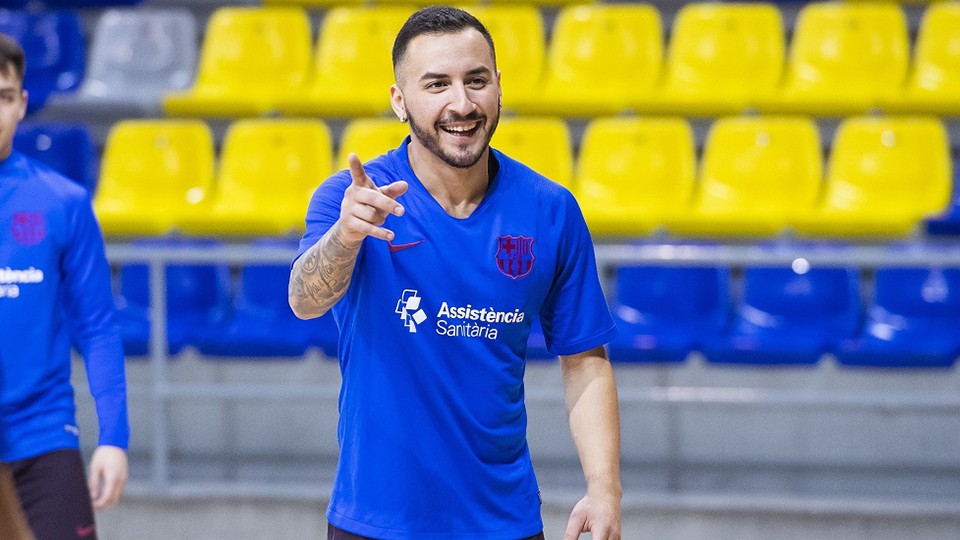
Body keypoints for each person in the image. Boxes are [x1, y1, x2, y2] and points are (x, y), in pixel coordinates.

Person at [289, 6, 622, 539]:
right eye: (436, 84)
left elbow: (585, 360)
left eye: (476, 80)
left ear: (498, 88)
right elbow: (305, 300)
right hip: (374, 522)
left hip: (502, 523)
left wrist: (604, 488)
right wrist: (344, 237)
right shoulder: (353, 199)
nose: (461, 103)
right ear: (400, 101)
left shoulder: (550, 209)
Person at [0, 33, 129, 540]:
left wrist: (114, 438)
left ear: (22, 104)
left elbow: (97, 326)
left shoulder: (63, 202)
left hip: (43, 437)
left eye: (4, 98)